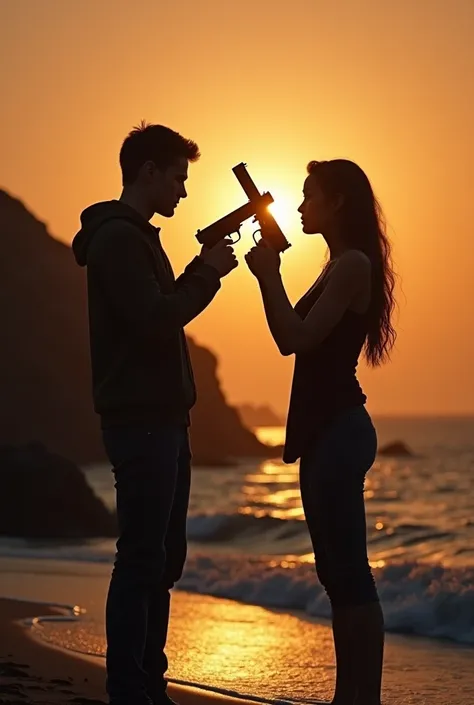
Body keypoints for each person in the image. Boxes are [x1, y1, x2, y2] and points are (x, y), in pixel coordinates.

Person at [72, 122, 237, 705]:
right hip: (141, 420)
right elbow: (154, 320)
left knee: (160, 560)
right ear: (148, 172)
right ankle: (129, 689)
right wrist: (208, 272)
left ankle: (148, 682)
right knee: (143, 556)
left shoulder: (136, 236)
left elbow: (156, 316)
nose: (183, 192)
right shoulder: (119, 240)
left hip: (162, 418)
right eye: (178, 178)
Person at [245, 159, 396, 705]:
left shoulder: (352, 264)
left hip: (339, 430)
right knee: (336, 575)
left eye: (310, 196)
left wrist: (267, 276)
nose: (302, 205)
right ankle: (346, 696)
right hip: (326, 432)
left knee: (350, 575)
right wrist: (269, 279)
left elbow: (298, 339)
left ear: (338, 203)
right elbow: (293, 337)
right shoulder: (336, 265)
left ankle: (366, 698)